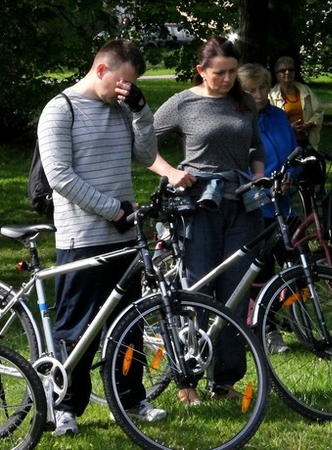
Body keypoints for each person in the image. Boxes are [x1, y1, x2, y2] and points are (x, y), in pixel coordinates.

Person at [38, 39, 165, 436]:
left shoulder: (122, 108)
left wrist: (143, 111)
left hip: (124, 236)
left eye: (132, 86)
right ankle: (65, 406)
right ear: (101, 70)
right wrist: (113, 209)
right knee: (78, 328)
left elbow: (146, 156)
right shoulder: (62, 109)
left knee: (130, 322)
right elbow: (59, 176)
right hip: (83, 236)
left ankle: (129, 399)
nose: (125, 90)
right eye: (122, 82)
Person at [148, 36, 266, 405]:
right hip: (197, 208)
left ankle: (225, 380)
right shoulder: (184, 103)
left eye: (232, 71)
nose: (228, 78)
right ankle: (188, 380)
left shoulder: (243, 101)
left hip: (240, 206)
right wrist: (170, 172)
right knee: (197, 290)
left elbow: (255, 145)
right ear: (202, 71)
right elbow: (143, 143)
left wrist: (259, 173)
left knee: (235, 292)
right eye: (220, 73)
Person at [238, 63, 298, 354]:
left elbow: (291, 153)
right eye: (251, 90)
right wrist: (259, 184)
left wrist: (290, 178)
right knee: (263, 272)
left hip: (284, 205)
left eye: (262, 87)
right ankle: (264, 328)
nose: (259, 94)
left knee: (294, 267)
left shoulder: (279, 116)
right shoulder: (240, 119)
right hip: (257, 208)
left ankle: (277, 320)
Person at [268, 56, 324, 150]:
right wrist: (289, 129)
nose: (287, 72)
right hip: (284, 144)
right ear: (277, 74)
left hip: (307, 141)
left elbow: (319, 111)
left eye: (291, 69)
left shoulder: (305, 91)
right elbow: (270, 123)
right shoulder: (271, 96)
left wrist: (309, 124)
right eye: (283, 70)